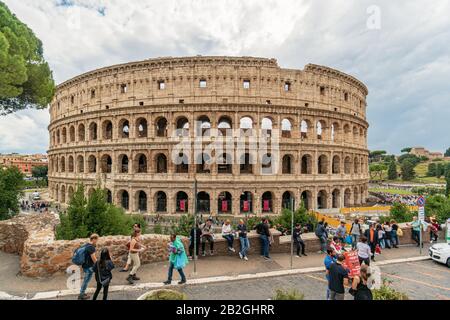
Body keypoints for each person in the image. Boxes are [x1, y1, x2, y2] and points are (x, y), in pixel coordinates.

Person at [78, 233, 98, 300]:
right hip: (89, 266)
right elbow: (94, 258)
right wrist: (98, 265)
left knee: (86, 280)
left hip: (85, 266)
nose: (97, 241)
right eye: (96, 239)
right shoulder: (91, 247)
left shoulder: (86, 245)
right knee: (86, 281)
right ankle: (81, 294)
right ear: (94, 239)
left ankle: (82, 293)